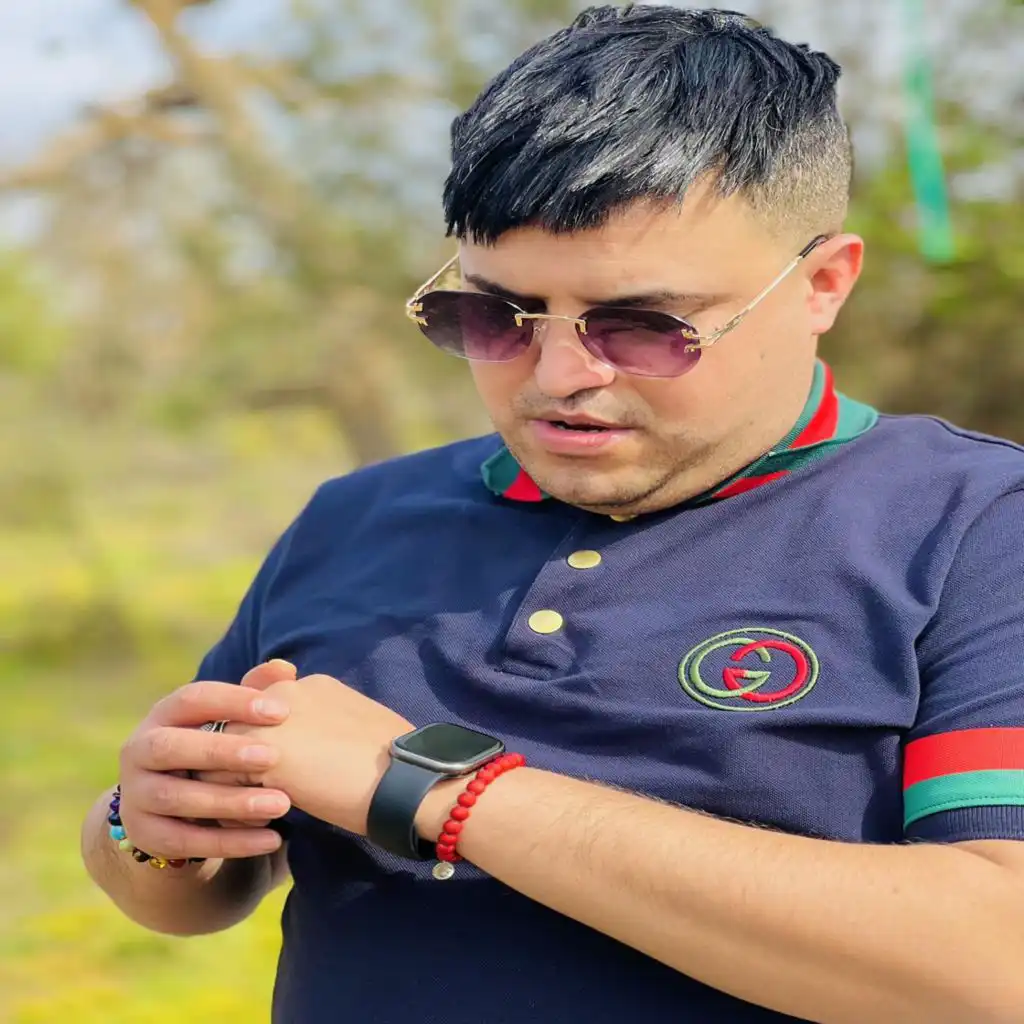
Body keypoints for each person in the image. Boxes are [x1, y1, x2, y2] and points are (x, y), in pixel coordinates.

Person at [81, 6, 1024, 1022]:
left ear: (823, 284)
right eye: (495, 316)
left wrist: (439, 791)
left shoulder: (975, 526)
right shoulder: (352, 516)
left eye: (643, 325)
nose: (561, 375)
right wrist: (147, 827)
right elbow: (198, 889)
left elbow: (995, 962)